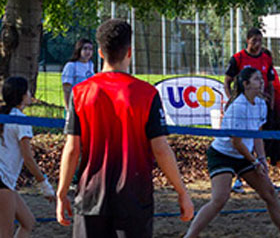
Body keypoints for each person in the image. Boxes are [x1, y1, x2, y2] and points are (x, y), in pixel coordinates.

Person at [56, 19, 193, 237]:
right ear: (130, 51)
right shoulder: (147, 94)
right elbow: (160, 149)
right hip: (134, 198)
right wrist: (181, 191)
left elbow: (72, 149)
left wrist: (61, 193)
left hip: (91, 197)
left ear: (100, 53)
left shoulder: (80, 92)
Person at [184, 67, 280, 238]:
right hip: (223, 154)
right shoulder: (238, 107)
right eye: (257, 79)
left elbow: (257, 135)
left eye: (261, 79)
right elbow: (236, 142)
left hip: (244, 155)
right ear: (246, 84)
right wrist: (254, 162)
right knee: (220, 199)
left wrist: (262, 159)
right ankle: (190, 235)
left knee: (270, 193)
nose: (262, 82)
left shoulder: (260, 103)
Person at [224, 27, 280, 191]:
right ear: (247, 41)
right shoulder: (238, 58)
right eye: (255, 41)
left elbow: (270, 84)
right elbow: (227, 81)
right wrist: (231, 99)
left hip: (261, 105)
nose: (258, 44)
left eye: (260, 41)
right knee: (240, 142)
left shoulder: (266, 57)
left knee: (267, 142)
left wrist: (272, 104)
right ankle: (238, 179)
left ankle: (268, 177)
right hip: (244, 105)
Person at [0, 76, 55, 238]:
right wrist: (44, 185)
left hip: (5, 181)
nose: (31, 94)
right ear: (22, 95)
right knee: (5, 233)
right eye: (28, 91)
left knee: (28, 222)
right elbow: (28, 158)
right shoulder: (21, 120)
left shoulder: (5, 115)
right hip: (2, 181)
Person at [62, 38, 95, 110]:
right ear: (79, 50)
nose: (88, 52)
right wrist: (68, 108)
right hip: (75, 105)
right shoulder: (71, 66)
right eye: (85, 49)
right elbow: (66, 88)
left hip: (87, 105)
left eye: (90, 49)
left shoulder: (90, 65)